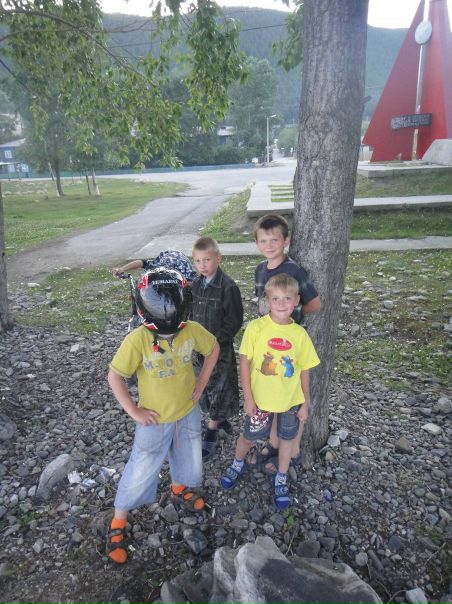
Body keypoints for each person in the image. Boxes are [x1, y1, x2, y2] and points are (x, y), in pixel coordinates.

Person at [107, 267, 220, 564]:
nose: (171, 334)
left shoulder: (191, 329)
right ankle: (119, 518)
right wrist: (133, 410)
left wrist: (202, 382)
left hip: (187, 412)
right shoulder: (138, 339)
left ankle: (178, 486)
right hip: (153, 419)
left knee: (188, 455)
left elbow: (213, 348)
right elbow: (115, 376)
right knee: (141, 466)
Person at [220, 274, 320, 509]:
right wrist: (248, 397)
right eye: (275, 298)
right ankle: (237, 462)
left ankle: (281, 477)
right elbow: (244, 363)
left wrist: (305, 404)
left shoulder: (300, 334)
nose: (281, 304)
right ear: (267, 301)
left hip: (290, 402)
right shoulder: (256, 328)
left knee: (287, 440)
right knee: (248, 436)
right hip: (260, 401)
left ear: (296, 300)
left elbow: (305, 370)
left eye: (287, 298)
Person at [252, 213, 321, 474]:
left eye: (274, 240)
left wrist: (289, 315)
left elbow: (315, 304)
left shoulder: (294, 271)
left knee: (293, 394)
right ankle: (273, 442)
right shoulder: (260, 270)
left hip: (290, 345)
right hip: (267, 344)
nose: (269, 245)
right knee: (273, 390)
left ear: (286, 241)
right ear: (257, 243)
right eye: (263, 240)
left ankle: (293, 449)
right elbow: (262, 303)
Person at [190, 236, 243, 460]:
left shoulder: (228, 287)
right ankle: (220, 419)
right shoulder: (194, 285)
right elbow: (189, 315)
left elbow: (234, 322)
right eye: (197, 261)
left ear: (218, 258)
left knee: (220, 388)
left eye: (207, 260)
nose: (202, 265)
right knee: (203, 386)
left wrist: (213, 343)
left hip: (219, 350)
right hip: (197, 349)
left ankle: (211, 432)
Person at [112, 249, 197, 282]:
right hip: (166, 260)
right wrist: (122, 269)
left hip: (179, 262)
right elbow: (141, 262)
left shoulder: (185, 273)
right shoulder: (155, 266)